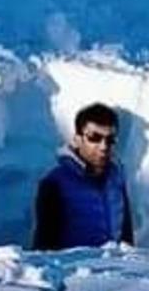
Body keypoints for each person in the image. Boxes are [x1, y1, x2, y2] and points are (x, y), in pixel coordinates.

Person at [32, 102, 135, 252]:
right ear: (78, 139)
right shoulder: (55, 182)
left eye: (110, 139)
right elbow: (44, 246)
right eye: (94, 137)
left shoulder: (117, 178)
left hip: (114, 271)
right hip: (76, 270)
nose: (103, 146)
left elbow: (127, 237)